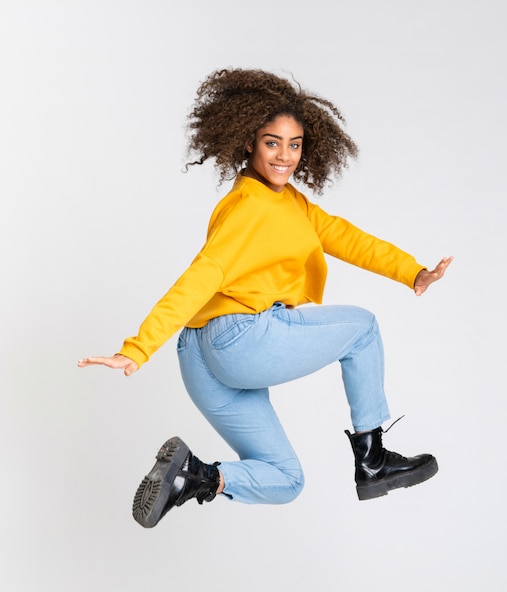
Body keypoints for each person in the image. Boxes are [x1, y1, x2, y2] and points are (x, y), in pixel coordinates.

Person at [78, 68, 452, 529]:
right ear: (248, 141)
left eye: (294, 144)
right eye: (271, 142)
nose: (284, 155)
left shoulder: (291, 204)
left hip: (201, 359)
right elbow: (202, 276)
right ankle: (373, 460)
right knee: (363, 328)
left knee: (285, 479)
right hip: (239, 339)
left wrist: (410, 271)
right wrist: (137, 348)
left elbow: (344, 236)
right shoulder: (250, 206)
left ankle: (195, 477)